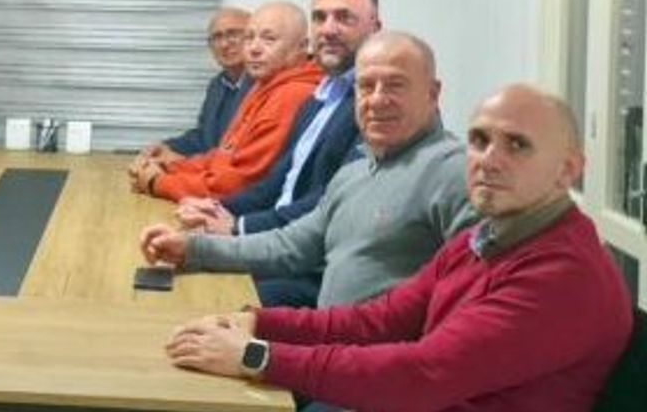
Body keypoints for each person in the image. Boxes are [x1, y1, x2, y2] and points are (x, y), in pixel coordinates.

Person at [163, 85, 634, 412]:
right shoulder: (486, 238)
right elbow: (381, 320)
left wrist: (256, 355)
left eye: (517, 145)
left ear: (568, 170)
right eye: (479, 140)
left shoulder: (564, 274)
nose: (489, 160)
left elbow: (424, 374)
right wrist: (258, 322)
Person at [141, 31, 477, 309]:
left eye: (395, 85)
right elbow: (291, 246)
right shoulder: (357, 171)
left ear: (433, 94)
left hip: (366, 362)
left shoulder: (454, 172)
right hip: (327, 345)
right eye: (366, 86)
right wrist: (193, 248)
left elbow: (467, 313)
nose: (376, 100)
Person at [174, 0, 381, 306]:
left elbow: (328, 205)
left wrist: (239, 226)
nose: (328, 29)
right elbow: (278, 182)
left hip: (312, 269)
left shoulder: (374, 106)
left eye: (344, 17)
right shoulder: (320, 97)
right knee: (174, 277)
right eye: (320, 17)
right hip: (278, 244)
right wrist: (219, 209)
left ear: (375, 28)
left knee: (202, 301)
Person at [131, 1, 322, 201]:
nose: (254, 48)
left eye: (269, 39)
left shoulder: (291, 95)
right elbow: (225, 156)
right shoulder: (264, 84)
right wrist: (171, 166)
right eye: (249, 37)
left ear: (302, 47)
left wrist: (158, 182)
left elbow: (235, 185)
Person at [136, 7, 252, 168]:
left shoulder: (263, 88)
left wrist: (183, 161)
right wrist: (166, 147)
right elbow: (202, 138)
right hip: (209, 174)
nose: (224, 44)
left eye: (233, 34)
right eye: (217, 37)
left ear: (253, 38)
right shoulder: (217, 85)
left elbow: (242, 153)